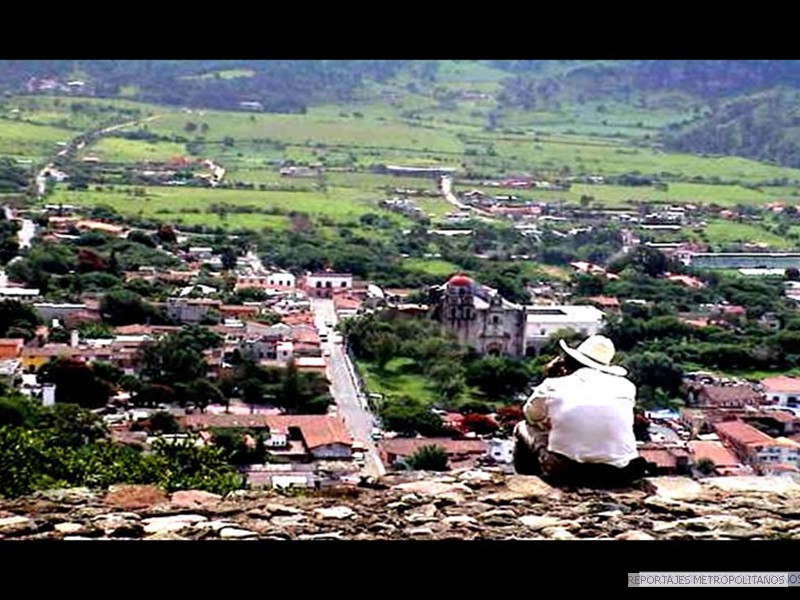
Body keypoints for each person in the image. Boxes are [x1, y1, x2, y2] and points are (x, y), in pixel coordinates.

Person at [513, 334, 648, 487]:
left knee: (523, 427)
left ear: (571, 361)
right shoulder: (627, 386)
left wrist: (551, 377)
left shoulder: (553, 384)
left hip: (567, 472)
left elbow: (532, 415)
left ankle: (526, 482)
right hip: (621, 473)